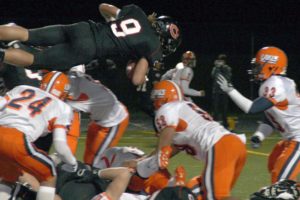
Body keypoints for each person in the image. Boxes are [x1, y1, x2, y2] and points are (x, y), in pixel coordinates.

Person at [0, 3, 181, 85]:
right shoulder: (153, 47)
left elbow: (104, 7)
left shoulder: (137, 12)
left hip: (84, 28)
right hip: (89, 48)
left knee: (27, 34)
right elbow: (136, 79)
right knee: (35, 58)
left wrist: (110, 25)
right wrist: (145, 66)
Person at [135, 80, 247, 199]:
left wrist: (157, 155)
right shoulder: (184, 111)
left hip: (220, 146)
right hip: (235, 145)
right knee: (200, 192)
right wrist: (145, 159)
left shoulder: (168, 108)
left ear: (162, 97)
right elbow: (174, 147)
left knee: (217, 197)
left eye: (155, 99)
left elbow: (165, 141)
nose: (153, 103)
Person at [217, 46, 300, 183]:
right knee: (273, 164)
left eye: (259, 65)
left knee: (281, 180)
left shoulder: (277, 84)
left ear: (271, 66)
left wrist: (230, 90)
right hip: (290, 139)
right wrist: (259, 135)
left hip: (298, 140)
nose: (256, 69)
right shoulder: (275, 84)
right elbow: (270, 117)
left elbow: (252, 108)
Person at [0, 71, 77, 200]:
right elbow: (60, 145)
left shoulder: (23, 88)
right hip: (17, 140)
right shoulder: (62, 107)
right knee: (49, 175)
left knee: (9, 175)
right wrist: (72, 163)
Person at [66, 65, 130, 166]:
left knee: (96, 164)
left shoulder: (76, 87)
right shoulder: (78, 81)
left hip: (113, 121)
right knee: (88, 159)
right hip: (98, 119)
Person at [211, 54, 232, 128]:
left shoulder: (227, 68)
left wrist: (221, 68)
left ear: (224, 61)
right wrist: (217, 68)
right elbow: (213, 76)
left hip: (224, 92)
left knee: (224, 110)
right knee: (215, 109)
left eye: (221, 61)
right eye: (219, 60)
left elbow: (227, 78)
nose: (219, 62)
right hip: (216, 91)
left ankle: (226, 125)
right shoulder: (215, 68)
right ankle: (214, 126)